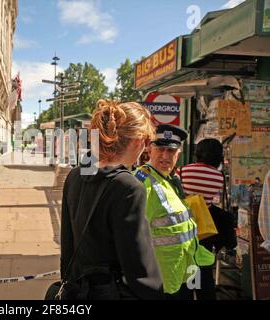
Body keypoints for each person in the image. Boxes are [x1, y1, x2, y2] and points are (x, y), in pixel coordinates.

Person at [60, 100, 163, 300]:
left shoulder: (75, 176)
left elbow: (68, 246)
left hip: (78, 291)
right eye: (147, 142)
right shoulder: (128, 187)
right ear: (138, 141)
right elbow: (139, 268)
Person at [135, 125, 215, 300]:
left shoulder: (169, 179)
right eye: (160, 149)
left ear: (178, 153)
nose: (165, 156)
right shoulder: (142, 181)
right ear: (149, 149)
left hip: (180, 272)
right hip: (160, 278)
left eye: (171, 151)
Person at [178, 138, 227, 300]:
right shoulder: (219, 177)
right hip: (205, 228)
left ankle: (187, 292)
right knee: (203, 268)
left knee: (185, 268)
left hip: (183, 226)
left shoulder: (183, 171)